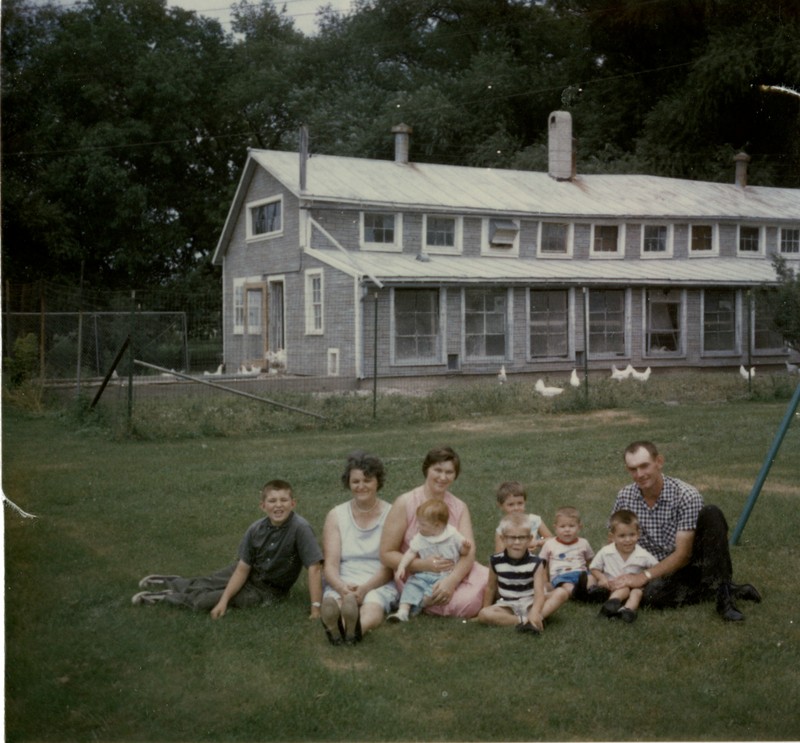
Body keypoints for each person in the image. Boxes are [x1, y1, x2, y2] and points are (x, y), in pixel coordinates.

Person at [607, 440, 761, 621]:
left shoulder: (686, 495)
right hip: (657, 568)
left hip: (690, 564)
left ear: (659, 462)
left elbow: (683, 555)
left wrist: (643, 576)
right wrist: (616, 575)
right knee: (650, 597)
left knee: (712, 513)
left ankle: (724, 595)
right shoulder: (625, 496)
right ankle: (727, 588)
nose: (639, 474)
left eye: (644, 466)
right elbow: (614, 541)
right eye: (633, 469)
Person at [133, 480, 323, 619]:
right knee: (210, 581)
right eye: (272, 501)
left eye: (283, 500)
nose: (278, 505)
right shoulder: (255, 529)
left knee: (205, 601)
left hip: (267, 590)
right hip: (247, 572)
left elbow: (314, 568)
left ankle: (165, 597)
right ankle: (171, 582)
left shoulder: (300, 528)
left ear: (293, 503)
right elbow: (242, 569)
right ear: (263, 506)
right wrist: (226, 597)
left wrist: (316, 609)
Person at [380, 445, 489, 618]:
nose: (443, 477)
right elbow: (386, 553)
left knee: (490, 578)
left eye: (449, 472)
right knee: (463, 604)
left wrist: (451, 581)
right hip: (418, 576)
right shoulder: (405, 502)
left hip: (453, 571)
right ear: (426, 469)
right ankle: (422, 602)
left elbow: (469, 551)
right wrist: (422, 565)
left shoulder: (459, 507)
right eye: (437, 470)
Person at [320, 451, 398, 645]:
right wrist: (341, 587)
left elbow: (389, 566)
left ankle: (355, 631)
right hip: (344, 578)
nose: (361, 486)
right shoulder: (336, 515)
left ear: (377, 482)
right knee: (337, 603)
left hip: (377, 579)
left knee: (373, 606)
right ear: (348, 483)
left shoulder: (392, 514)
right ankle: (337, 624)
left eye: (367, 480)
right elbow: (330, 564)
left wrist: (365, 588)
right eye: (356, 482)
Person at [387, 499, 471, 623]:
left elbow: (463, 553)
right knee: (412, 584)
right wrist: (402, 566)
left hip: (445, 576)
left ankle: (421, 604)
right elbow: (410, 553)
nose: (418, 526)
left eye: (422, 524)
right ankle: (402, 612)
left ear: (437, 525)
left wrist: (465, 547)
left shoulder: (452, 534)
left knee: (434, 593)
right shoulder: (421, 537)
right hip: (425, 574)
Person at [478, 513, 548, 634]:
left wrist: (535, 611)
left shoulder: (536, 563)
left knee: (560, 594)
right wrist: (486, 609)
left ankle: (534, 616)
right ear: (503, 538)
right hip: (508, 605)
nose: (516, 542)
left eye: (521, 537)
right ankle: (526, 621)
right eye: (512, 537)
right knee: (484, 614)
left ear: (530, 539)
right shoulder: (495, 561)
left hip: (530, 603)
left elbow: (539, 593)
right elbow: (490, 587)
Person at [590, 509, 657, 622]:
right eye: (622, 536)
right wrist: (601, 578)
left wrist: (644, 577)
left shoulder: (643, 554)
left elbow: (656, 568)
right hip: (613, 587)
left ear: (638, 534)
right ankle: (610, 606)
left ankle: (628, 611)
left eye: (632, 535)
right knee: (624, 589)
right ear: (612, 537)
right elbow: (594, 567)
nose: (628, 540)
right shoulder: (606, 552)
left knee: (637, 592)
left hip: (634, 587)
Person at [538, 506, 598, 617]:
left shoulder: (583, 543)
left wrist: (594, 574)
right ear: (555, 528)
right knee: (566, 587)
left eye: (571, 526)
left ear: (579, 527)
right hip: (562, 576)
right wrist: (545, 581)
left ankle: (590, 591)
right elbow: (543, 564)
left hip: (581, 573)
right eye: (562, 526)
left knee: (591, 578)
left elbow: (590, 561)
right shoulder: (550, 544)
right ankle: (579, 593)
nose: (567, 529)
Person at [492, 480, 552, 554]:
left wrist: (537, 542)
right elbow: (499, 553)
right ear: (501, 506)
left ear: (525, 502)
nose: (516, 508)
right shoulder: (502, 529)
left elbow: (552, 540)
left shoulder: (534, 520)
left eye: (520, 503)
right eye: (511, 505)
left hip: (539, 562)